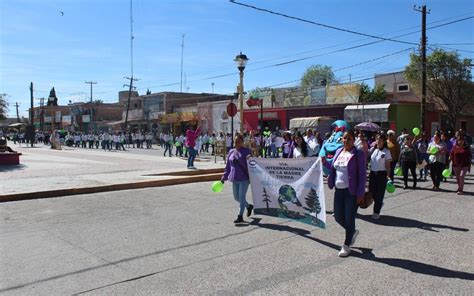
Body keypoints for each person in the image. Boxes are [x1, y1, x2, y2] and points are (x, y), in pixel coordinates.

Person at [324, 130, 366, 257]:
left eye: (349, 139)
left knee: (349, 218)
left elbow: (362, 175)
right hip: (339, 190)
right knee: (337, 216)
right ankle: (352, 231)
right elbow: (333, 167)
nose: (346, 141)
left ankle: (346, 245)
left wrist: (360, 193)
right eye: (344, 138)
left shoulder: (358, 154)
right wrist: (324, 162)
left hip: (351, 192)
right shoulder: (338, 152)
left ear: (353, 141)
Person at [220, 134, 253, 223]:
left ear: (242, 142)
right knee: (236, 197)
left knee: (241, 197)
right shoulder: (231, 151)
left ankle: (240, 215)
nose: (236, 142)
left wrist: (250, 159)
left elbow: (252, 164)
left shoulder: (247, 151)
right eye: (235, 141)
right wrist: (224, 177)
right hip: (234, 177)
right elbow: (228, 167)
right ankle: (249, 206)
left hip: (244, 178)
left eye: (238, 141)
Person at [369, 133, 392, 219]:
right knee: (372, 192)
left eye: (381, 140)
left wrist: (388, 176)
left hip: (381, 174)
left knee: (379, 194)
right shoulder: (374, 150)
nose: (379, 141)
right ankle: (379, 203)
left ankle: (376, 212)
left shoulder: (386, 151)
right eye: (377, 139)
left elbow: (387, 165)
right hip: (372, 174)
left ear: (384, 141)